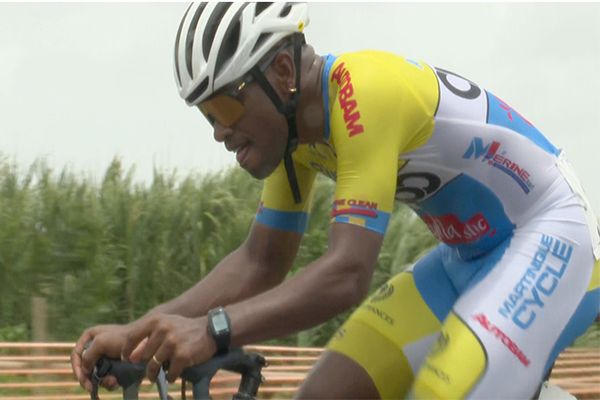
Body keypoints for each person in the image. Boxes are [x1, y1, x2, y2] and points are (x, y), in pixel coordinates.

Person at [71, 3, 600, 399]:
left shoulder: (361, 90)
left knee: (446, 388)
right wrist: (139, 335)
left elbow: (347, 274)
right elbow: (259, 262)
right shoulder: (293, 137)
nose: (219, 131)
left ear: (281, 73)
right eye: (207, 114)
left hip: (551, 236)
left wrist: (214, 330)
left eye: (227, 105)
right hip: (467, 259)